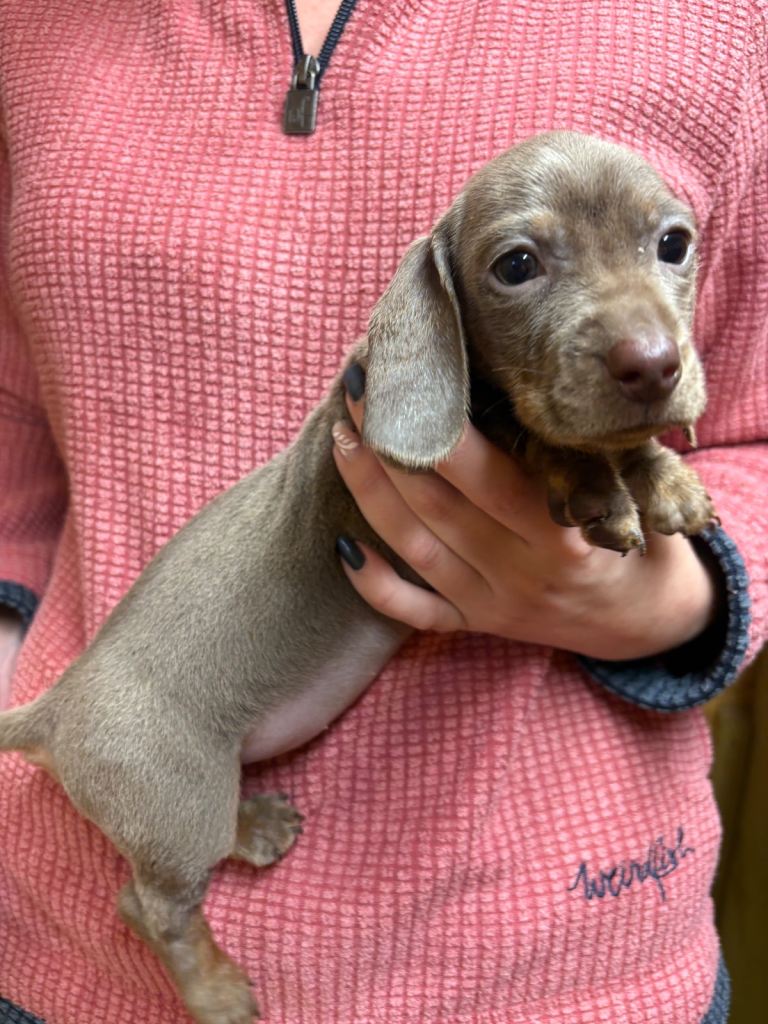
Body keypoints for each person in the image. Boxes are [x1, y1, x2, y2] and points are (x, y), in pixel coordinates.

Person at [0, 1, 765, 1021]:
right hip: (77, 933)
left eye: (666, 242)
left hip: (568, 962)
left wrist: (662, 604)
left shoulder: (723, 17)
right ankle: (174, 907)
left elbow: (753, 422)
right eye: (522, 264)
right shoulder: (29, 24)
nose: (643, 340)